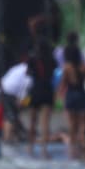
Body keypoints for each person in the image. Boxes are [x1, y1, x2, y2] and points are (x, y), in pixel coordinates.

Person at [61, 35, 85, 162]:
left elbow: (63, 85)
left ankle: (73, 152)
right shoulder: (84, 67)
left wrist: (61, 96)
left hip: (71, 95)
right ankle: (84, 148)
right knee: (83, 125)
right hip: (82, 94)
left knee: (72, 125)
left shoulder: (67, 68)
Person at [26, 22, 56, 158]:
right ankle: (44, 149)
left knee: (33, 120)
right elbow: (53, 73)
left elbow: (28, 73)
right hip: (48, 89)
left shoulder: (33, 59)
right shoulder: (51, 60)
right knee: (45, 122)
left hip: (36, 89)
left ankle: (30, 147)